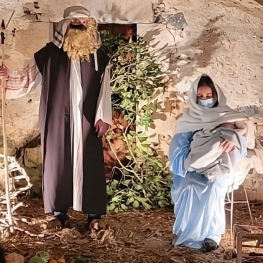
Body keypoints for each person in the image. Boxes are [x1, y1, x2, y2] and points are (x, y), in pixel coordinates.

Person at [0, 6, 112, 229]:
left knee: (88, 163)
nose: (79, 25)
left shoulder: (99, 56)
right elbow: (28, 79)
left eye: (83, 22)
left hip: (87, 119)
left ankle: (93, 215)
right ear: (64, 26)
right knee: (57, 161)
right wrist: (7, 77)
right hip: (56, 118)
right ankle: (58, 213)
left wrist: (103, 117)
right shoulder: (49, 54)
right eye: (74, 22)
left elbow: (104, 89)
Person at [168, 74, 254, 251]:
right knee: (189, 185)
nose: (205, 100)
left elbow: (243, 139)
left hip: (220, 164)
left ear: (216, 96)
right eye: (200, 96)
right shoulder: (189, 118)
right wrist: (189, 163)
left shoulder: (227, 114)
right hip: (193, 165)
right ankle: (185, 230)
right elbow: (179, 146)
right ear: (194, 97)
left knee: (214, 186)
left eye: (209, 96)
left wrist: (233, 141)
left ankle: (211, 235)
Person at [184, 120, 248, 181]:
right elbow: (200, 137)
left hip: (221, 149)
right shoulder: (213, 127)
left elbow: (240, 148)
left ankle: (208, 170)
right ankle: (206, 169)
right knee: (215, 146)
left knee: (217, 147)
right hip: (211, 140)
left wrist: (233, 139)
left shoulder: (238, 133)